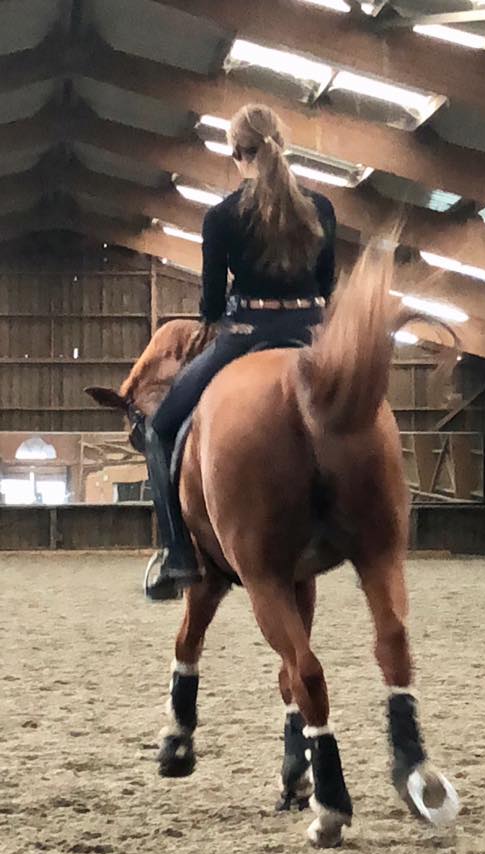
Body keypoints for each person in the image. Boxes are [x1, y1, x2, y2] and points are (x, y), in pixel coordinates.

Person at [146, 103, 336, 601]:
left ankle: (177, 556)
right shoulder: (321, 208)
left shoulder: (222, 216)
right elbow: (327, 284)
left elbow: (211, 304)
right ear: (282, 146)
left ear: (236, 154)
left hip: (247, 333)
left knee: (160, 429)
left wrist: (214, 317)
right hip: (312, 333)